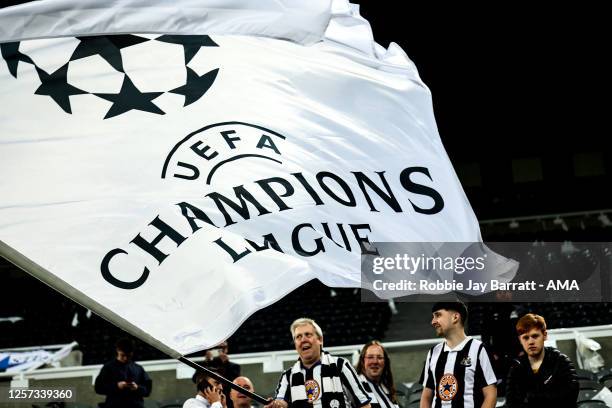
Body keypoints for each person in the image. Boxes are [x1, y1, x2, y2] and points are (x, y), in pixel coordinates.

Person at [266, 317, 372, 408]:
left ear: (320, 340)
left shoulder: (340, 365)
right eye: (298, 337)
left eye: (308, 334)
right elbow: (281, 402)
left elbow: (363, 403)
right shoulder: (288, 376)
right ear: (295, 344)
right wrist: (274, 404)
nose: (303, 340)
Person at [419, 301, 497, 408]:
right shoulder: (433, 353)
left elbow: (490, 394)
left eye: (438, 315)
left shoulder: (478, 349)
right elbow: (426, 397)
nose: (433, 322)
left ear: (455, 317)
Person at [505, 313, 578, 408]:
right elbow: (511, 403)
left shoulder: (561, 361)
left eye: (535, 336)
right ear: (520, 340)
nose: (530, 342)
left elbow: (569, 398)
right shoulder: (516, 367)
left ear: (545, 335)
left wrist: (530, 398)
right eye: (525, 338)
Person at [94, 337, 152, 408]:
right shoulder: (108, 367)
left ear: (132, 353)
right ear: (118, 350)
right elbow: (98, 388)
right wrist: (117, 386)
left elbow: (147, 390)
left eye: (128, 356)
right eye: (123, 355)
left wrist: (137, 388)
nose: (125, 358)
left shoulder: (138, 368)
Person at [356, 340, 398, 408]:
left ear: (385, 362)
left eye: (379, 357)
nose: (375, 361)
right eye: (370, 357)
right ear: (362, 361)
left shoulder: (387, 388)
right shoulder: (356, 386)